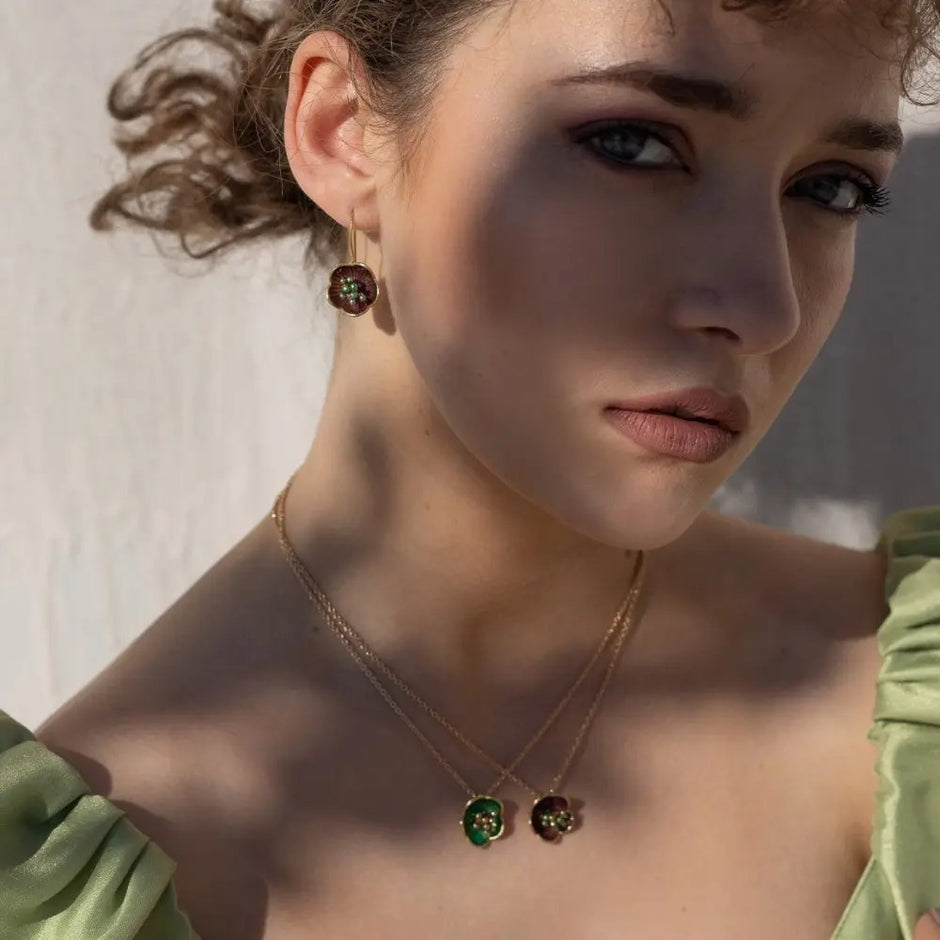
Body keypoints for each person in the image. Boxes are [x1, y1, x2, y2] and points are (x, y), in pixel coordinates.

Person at [2, 0, 940, 936]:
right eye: (634, 144)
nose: (764, 306)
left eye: (833, 190)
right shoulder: (59, 894)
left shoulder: (917, 729)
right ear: (341, 135)